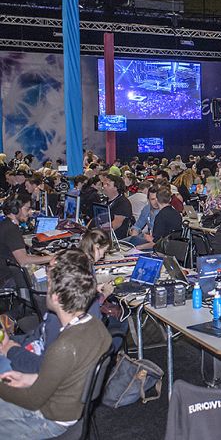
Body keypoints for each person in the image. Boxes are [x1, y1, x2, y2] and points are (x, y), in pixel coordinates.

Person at [0, 250, 111, 438]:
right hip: (64, 403)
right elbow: (65, 376)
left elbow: (33, 399)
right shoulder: (95, 327)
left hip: (50, 419)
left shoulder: (64, 346)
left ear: (57, 297)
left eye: (50, 286)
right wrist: (27, 379)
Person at [0, 195, 52, 286]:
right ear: (16, 210)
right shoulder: (11, 230)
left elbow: (22, 256)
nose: (30, 212)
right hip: (9, 279)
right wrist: (53, 257)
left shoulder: (6, 224)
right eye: (27, 209)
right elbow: (23, 260)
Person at [101, 174, 133, 240]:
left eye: (107, 185)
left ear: (116, 188)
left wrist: (98, 232)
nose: (104, 186)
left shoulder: (123, 203)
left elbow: (116, 224)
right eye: (104, 184)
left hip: (114, 238)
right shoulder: (104, 200)